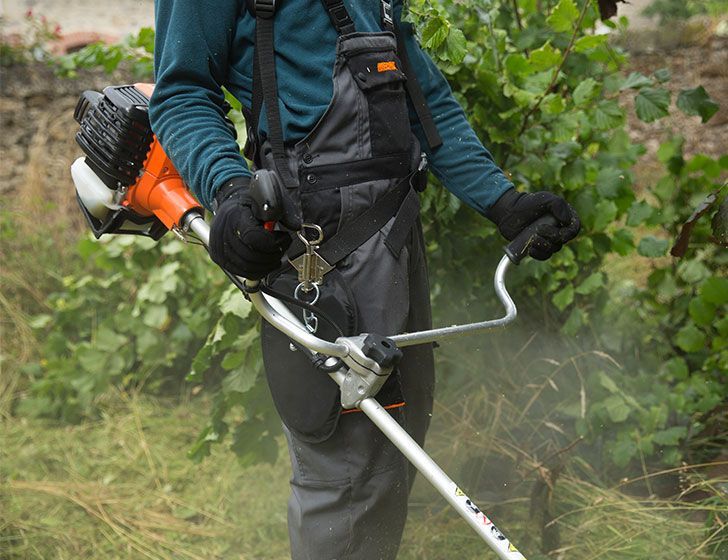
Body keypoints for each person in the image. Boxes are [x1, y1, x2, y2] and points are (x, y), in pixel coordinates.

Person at [149, 1, 580, 558]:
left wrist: (501, 200)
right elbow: (182, 93)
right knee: (347, 475)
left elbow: (420, 95)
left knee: (394, 455)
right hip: (317, 256)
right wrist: (231, 191)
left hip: (396, 242)